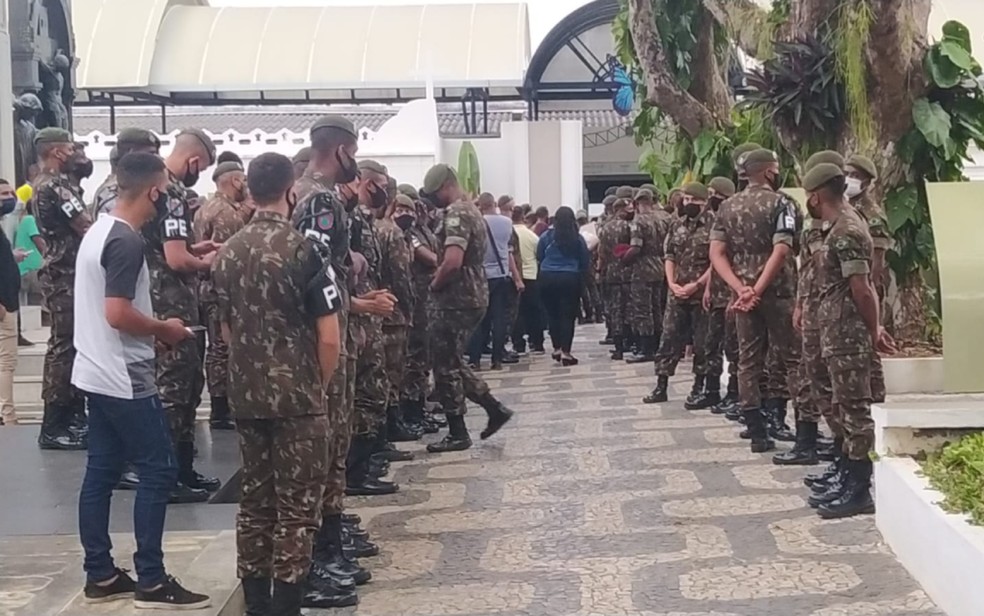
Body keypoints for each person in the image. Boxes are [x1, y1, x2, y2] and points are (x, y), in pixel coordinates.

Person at [73, 152, 209, 609]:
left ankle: (101, 572)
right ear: (154, 190)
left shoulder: (98, 231)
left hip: (94, 368)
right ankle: (151, 577)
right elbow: (117, 313)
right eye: (164, 192)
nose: (164, 201)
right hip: (123, 374)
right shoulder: (127, 242)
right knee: (159, 468)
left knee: (102, 471)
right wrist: (163, 329)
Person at [213, 152, 345, 615]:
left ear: (249, 189)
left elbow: (226, 330)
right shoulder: (306, 250)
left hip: (247, 396)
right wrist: (319, 385)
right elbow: (329, 335)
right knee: (297, 508)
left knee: (255, 503)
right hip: (299, 399)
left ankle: (256, 603)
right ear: (292, 191)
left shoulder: (226, 253)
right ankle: (287, 603)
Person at [292, 116, 385, 609]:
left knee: (332, 442)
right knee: (329, 442)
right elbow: (319, 274)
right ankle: (322, 551)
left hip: (332, 329)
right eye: (355, 151)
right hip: (329, 332)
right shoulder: (320, 197)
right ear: (344, 151)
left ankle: (328, 543)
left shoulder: (308, 191)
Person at [800, 163, 896, 519]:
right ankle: (846, 475)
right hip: (835, 329)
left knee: (855, 408)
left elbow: (863, 288)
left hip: (848, 332)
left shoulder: (848, 230)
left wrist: (874, 330)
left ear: (815, 195)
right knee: (841, 404)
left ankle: (859, 489)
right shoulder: (837, 226)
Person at [146, 129, 221, 502]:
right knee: (176, 391)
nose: (200, 174)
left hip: (163, 299)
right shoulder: (172, 193)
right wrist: (203, 261)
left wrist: (193, 247)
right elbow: (176, 260)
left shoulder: (155, 187)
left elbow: (169, 247)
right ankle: (169, 475)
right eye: (203, 167)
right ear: (194, 161)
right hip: (172, 304)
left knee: (187, 389)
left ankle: (182, 469)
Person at [709, 149, 800, 453]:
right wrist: (758, 289)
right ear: (767, 172)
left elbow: (717, 254)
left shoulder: (727, 207)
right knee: (793, 359)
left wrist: (741, 288)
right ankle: (805, 432)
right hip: (779, 292)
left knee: (748, 361)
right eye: (776, 168)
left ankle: (757, 432)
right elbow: (783, 249)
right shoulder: (783, 203)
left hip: (742, 296)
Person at [423, 164, 513, 453]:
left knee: (445, 365)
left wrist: (434, 284)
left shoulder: (457, 213)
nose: (433, 198)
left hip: (455, 297)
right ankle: (493, 408)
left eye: (435, 193)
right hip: (472, 293)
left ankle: (458, 431)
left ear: (446, 186)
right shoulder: (472, 210)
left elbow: (452, 261)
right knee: (453, 361)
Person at [31, 127, 92, 450]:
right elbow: (84, 225)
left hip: (66, 273)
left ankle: (70, 416)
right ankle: (56, 423)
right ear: (57, 152)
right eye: (70, 148)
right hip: (64, 274)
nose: (75, 153)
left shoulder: (45, 184)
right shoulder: (55, 186)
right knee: (64, 347)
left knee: (68, 345)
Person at [193, 160, 250, 431]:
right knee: (221, 349)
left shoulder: (206, 208)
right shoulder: (227, 214)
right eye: (244, 180)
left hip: (206, 287)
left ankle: (221, 406)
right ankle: (221, 408)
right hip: (221, 289)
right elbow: (228, 256)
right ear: (235, 181)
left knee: (216, 348)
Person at [644, 183, 713, 404]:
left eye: (694, 200)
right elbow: (670, 255)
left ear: (704, 202)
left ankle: (698, 387)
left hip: (702, 292)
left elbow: (718, 261)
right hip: (678, 291)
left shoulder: (715, 225)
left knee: (702, 342)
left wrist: (698, 285)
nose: (688, 204)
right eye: (685, 199)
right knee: (668, 338)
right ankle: (661, 385)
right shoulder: (677, 224)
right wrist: (672, 283)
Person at [845, 154, 890, 404]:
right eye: (846, 174)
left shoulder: (872, 214)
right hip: (850, 287)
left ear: (867, 182)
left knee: (868, 340)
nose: (849, 180)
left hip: (866, 286)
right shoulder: (844, 207)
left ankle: (875, 395)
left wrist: (867, 289)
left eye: (855, 176)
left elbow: (877, 261)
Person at [374, 192, 417, 442]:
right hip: (393, 310)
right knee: (392, 371)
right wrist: (409, 307)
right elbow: (401, 275)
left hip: (373, 308)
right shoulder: (393, 233)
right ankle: (391, 426)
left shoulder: (373, 228)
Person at [400, 185, 443, 434]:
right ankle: (413, 411)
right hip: (416, 300)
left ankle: (421, 407)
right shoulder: (409, 233)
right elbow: (430, 257)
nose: (419, 210)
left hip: (427, 301)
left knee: (424, 357)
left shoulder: (424, 227)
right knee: (415, 359)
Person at [467, 193, 523, 370]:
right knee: (499, 318)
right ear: (494, 204)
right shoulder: (507, 223)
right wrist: (516, 277)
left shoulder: (477, 222)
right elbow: (509, 250)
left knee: (479, 319)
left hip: (481, 275)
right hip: (501, 274)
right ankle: (497, 359)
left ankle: (475, 359)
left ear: (480, 205)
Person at [695, 177, 736, 411]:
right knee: (711, 343)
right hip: (717, 291)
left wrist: (733, 293)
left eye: (714, 193)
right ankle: (711, 390)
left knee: (733, 347)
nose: (710, 197)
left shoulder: (734, 219)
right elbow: (714, 259)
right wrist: (708, 287)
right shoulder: (714, 221)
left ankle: (733, 393)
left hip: (731, 292)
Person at [536, 206, 590, 365]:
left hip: (547, 277)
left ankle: (557, 347)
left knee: (552, 314)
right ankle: (566, 351)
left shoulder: (546, 237)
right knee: (567, 315)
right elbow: (584, 261)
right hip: (569, 277)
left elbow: (539, 255)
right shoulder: (577, 239)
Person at [625, 188, 669, 364]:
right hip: (661, 267)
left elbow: (636, 247)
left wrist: (625, 259)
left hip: (643, 268)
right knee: (657, 308)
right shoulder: (664, 218)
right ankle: (659, 345)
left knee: (643, 310)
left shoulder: (639, 221)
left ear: (636, 204)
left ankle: (646, 348)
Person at [1, 180, 29, 425]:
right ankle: (7, 415)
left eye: (10, 193)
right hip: (3, 307)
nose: (9, 198)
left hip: (7, 303)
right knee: (5, 363)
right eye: (3, 194)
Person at [91, 128, 162, 219]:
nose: (156, 159)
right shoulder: (115, 191)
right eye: (150, 153)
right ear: (131, 153)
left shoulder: (137, 185)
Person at [597, 197, 634, 359]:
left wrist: (600, 270)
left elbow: (601, 252)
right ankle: (629, 342)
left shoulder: (605, 228)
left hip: (611, 273)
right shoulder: (628, 227)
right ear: (620, 210)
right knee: (630, 308)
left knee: (616, 309)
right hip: (628, 271)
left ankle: (618, 346)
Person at [511, 205, 544, 354]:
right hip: (531, 276)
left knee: (516, 313)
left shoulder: (509, 233)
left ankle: (518, 343)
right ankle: (536, 342)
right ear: (523, 217)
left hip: (514, 276)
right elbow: (539, 254)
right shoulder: (531, 236)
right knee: (534, 312)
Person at [14, 183, 43, 348]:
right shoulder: (30, 219)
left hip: (22, 267)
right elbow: (38, 240)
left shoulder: (19, 220)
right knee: (38, 297)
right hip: (31, 266)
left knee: (21, 301)